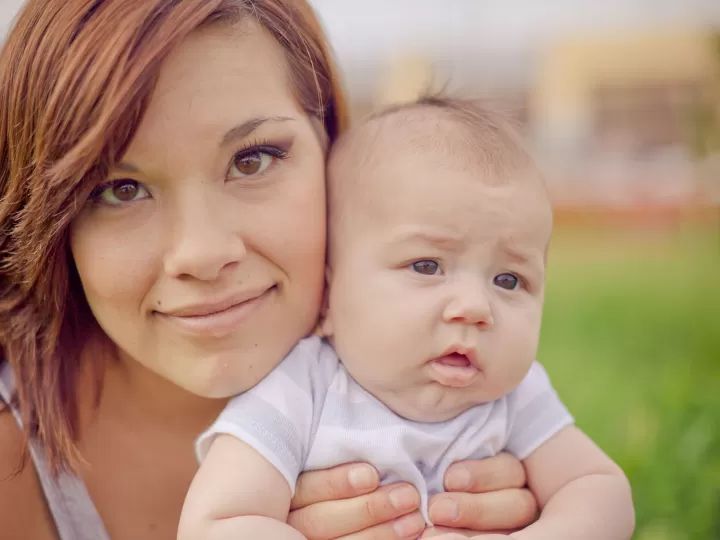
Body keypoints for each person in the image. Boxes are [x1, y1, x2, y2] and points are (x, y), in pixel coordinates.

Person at [0, 1, 541, 539]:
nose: (203, 253)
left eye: (251, 159)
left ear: (331, 148)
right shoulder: (12, 458)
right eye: (119, 190)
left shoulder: (453, 377)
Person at [177, 98, 635, 540]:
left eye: (509, 280)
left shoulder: (515, 397)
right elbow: (217, 523)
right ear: (329, 298)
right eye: (427, 266)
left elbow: (601, 491)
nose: (476, 307)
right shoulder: (299, 389)